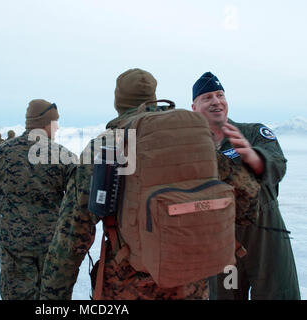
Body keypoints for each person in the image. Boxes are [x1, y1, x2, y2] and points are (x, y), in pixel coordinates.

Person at [39, 68, 260, 300]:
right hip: (192, 285)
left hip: (127, 288)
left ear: (118, 103)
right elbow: (248, 199)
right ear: (154, 98)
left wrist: (52, 298)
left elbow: (72, 235)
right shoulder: (193, 137)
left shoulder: (106, 147)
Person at [191, 71, 300, 300]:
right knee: (226, 294)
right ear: (194, 107)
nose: (216, 101)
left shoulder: (252, 132)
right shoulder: (192, 148)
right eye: (207, 97)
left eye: (220, 95)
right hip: (221, 242)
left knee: (278, 293)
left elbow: (278, 165)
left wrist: (255, 159)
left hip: (266, 236)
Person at [0, 99, 77, 300]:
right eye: (55, 123)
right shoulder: (63, 155)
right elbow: (80, 201)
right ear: (47, 123)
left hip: (14, 241)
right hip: (53, 243)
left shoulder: (2, 152)